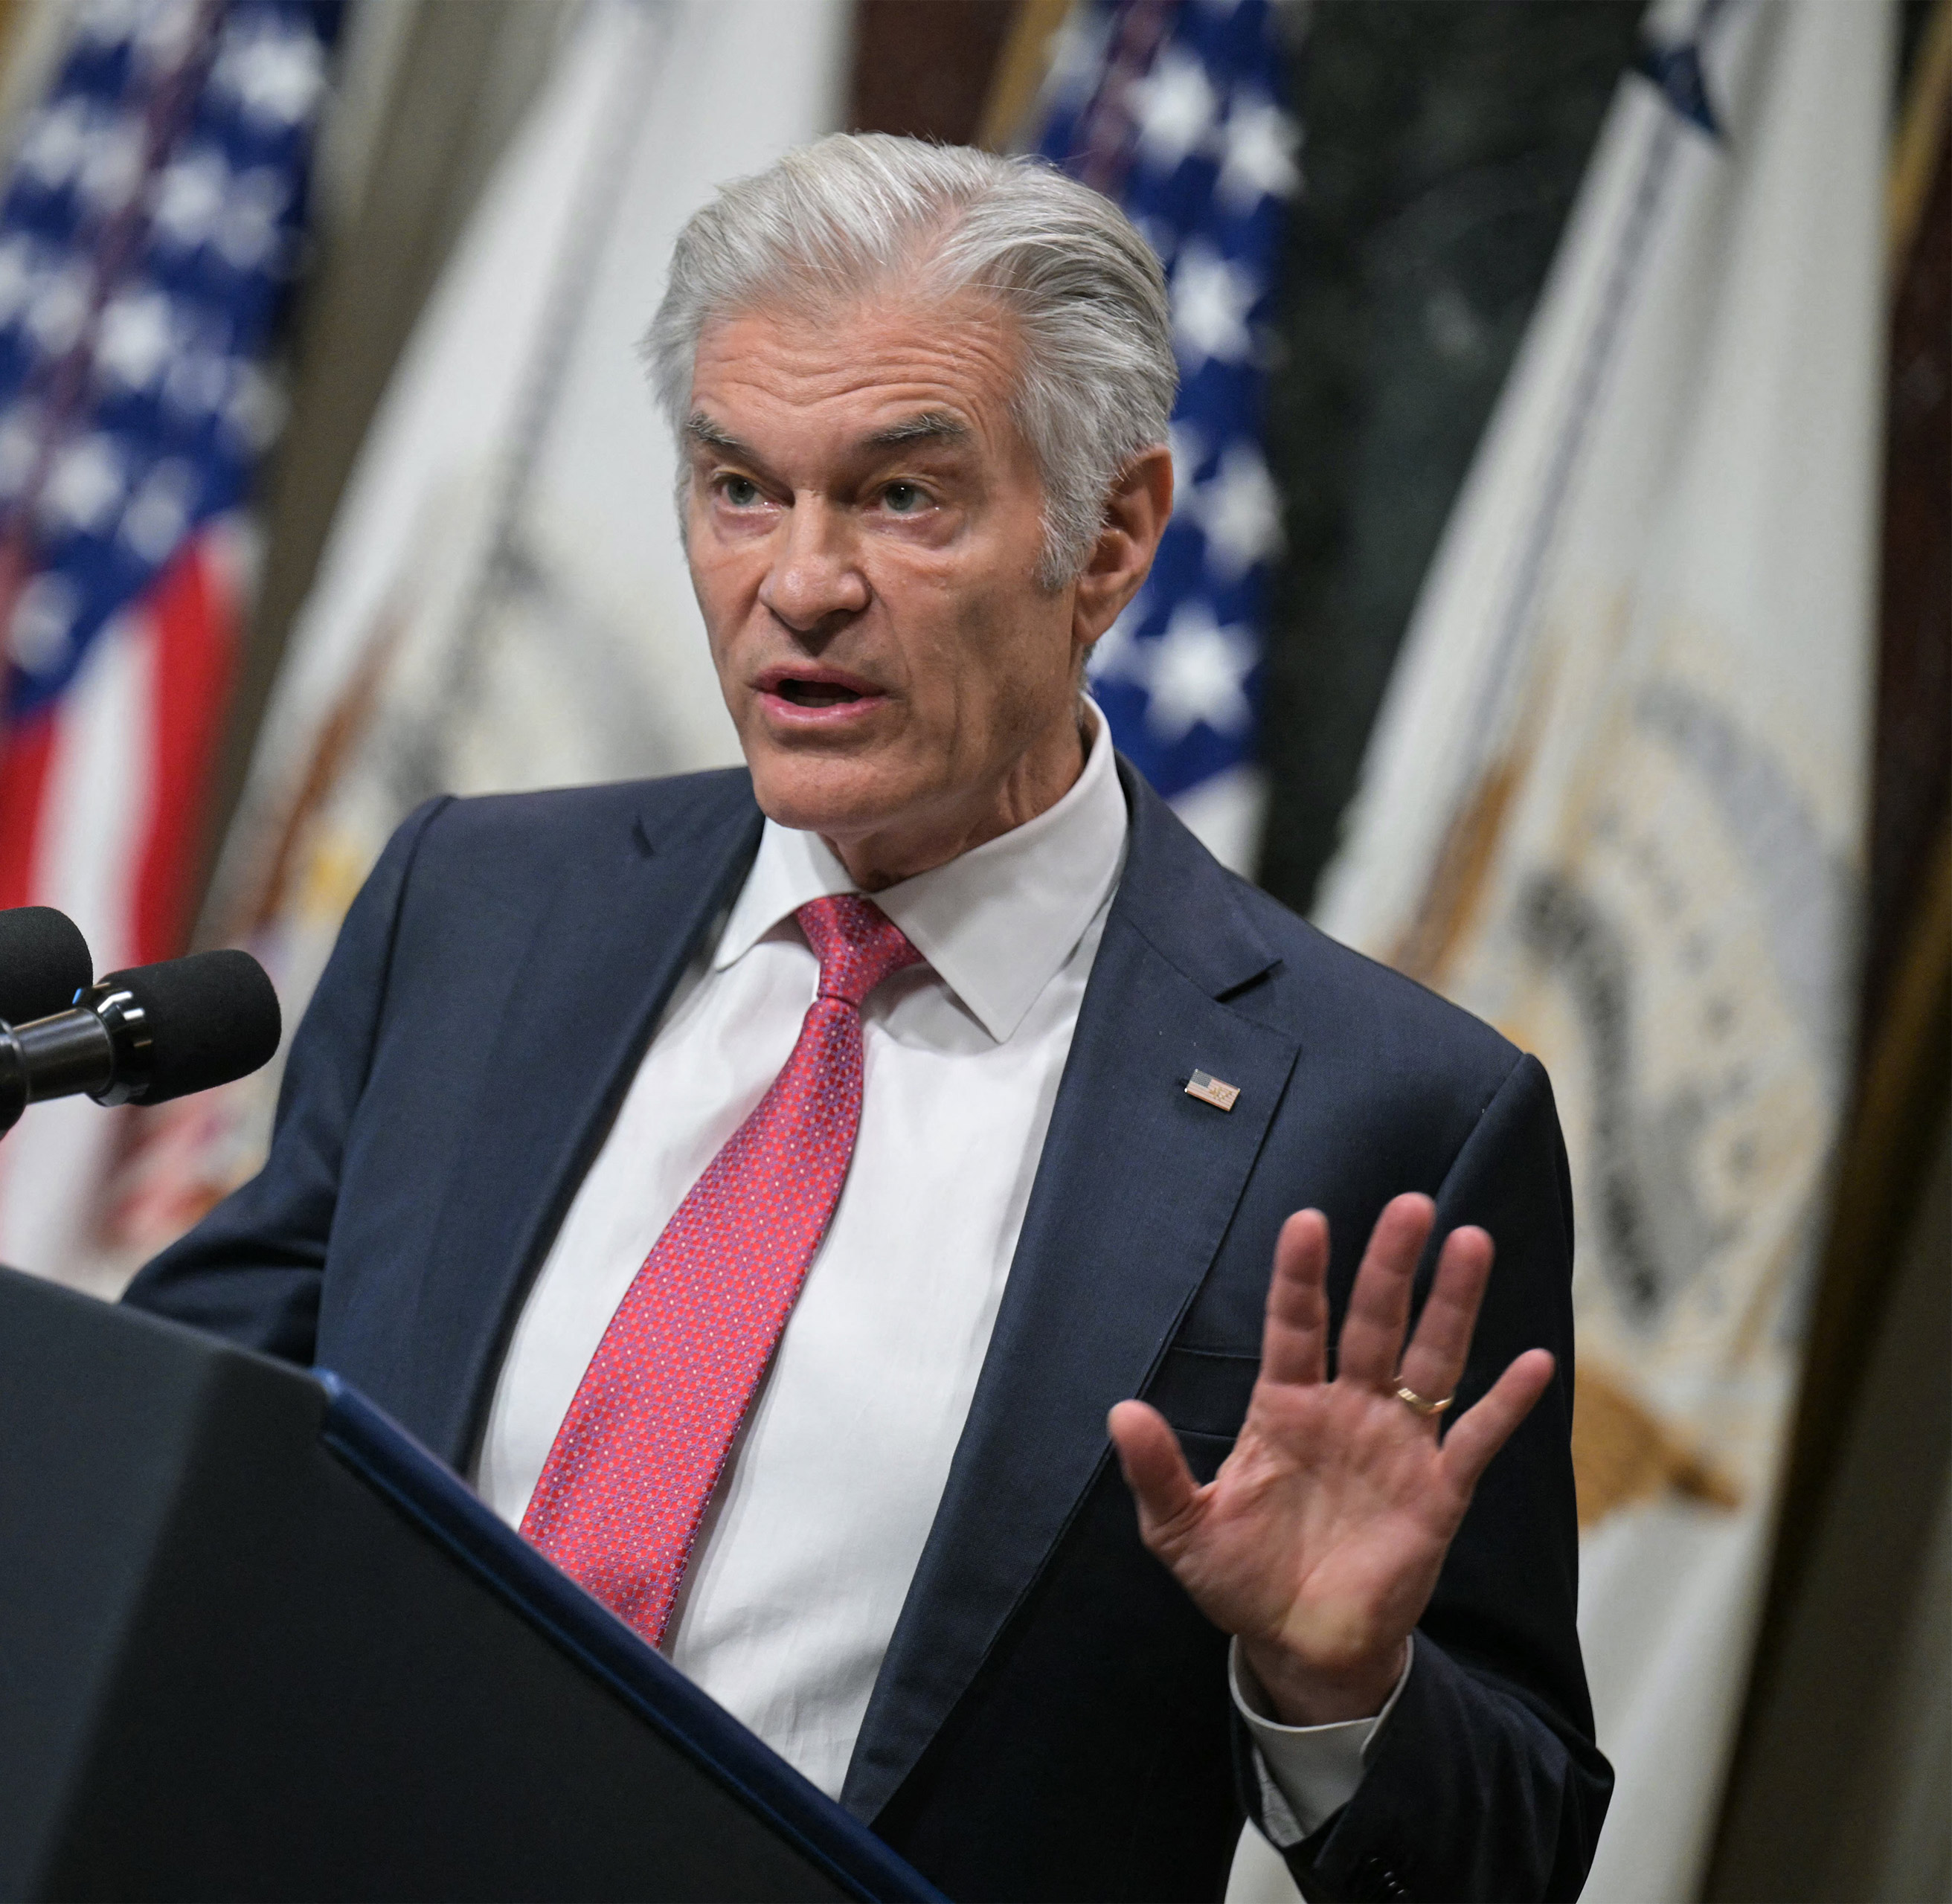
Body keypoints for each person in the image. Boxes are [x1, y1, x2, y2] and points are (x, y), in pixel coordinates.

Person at [125, 135, 1608, 1902]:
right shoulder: (479, 905)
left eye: (902, 498)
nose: (801, 581)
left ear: (1112, 537)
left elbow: (1514, 1844)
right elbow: (179, 1432)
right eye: (741, 486)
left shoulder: (1382, 1113)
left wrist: (1337, 1685)